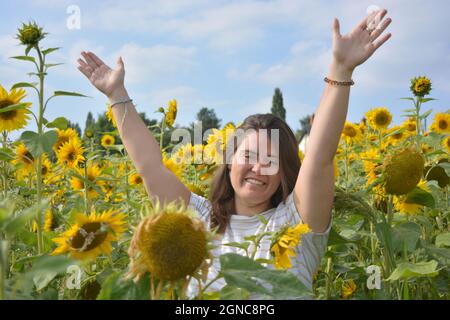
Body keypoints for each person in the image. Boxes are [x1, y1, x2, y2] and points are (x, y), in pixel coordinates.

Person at [77, 8, 392, 298]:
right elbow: (149, 166)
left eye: (270, 161)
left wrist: (341, 68)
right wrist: (117, 94)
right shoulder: (196, 223)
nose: (258, 168)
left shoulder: (298, 222)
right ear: (229, 164)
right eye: (249, 156)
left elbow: (320, 155)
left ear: (285, 171)